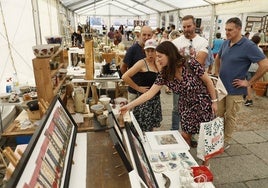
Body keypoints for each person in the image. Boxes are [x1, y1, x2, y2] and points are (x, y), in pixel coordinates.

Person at [120, 41, 217, 166]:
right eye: (157, 56)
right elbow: (149, 94)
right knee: (185, 134)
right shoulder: (164, 73)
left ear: (169, 54)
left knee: (205, 136)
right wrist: (128, 106)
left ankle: (205, 164)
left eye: (160, 56)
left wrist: (214, 102)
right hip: (186, 105)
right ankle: (185, 160)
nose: (157, 59)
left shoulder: (190, 63)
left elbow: (208, 82)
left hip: (203, 103)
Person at [214, 17, 268, 148]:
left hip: (235, 89)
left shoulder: (248, 46)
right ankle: (217, 138)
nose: (227, 32)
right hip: (221, 87)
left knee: (230, 116)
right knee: (218, 114)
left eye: (230, 30)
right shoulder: (226, 43)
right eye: (226, 29)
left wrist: (249, 83)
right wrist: (216, 74)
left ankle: (225, 141)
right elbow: (218, 58)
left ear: (239, 29)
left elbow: (265, 65)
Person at [171, 15, 209, 133]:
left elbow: (200, 61)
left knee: (193, 108)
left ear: (195, 25)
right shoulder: (175, 42)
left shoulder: (202, 41)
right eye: (184, 27)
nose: (186, 29)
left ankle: (189, 134)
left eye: (189, 26)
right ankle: (174, 131)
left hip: (196, 83)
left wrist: (181, 62)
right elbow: (172, 61)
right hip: (179, 80)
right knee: (177, 108)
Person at [122, 39, 162, 131]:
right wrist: (138, 88)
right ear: (144, 51)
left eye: (153, 51)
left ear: (156, 52)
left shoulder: (159, 63)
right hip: (144, 101)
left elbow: (164, 78)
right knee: (143, 128)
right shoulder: (141, 63)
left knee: (151, 127)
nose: (150, 53)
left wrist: (157, 63)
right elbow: (125, 76)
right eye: (148, 51)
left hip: (155, 100)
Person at [120, 26, 153, 102]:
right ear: (140, 35)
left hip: (150, 92)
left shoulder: (153, 50)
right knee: (133, 113)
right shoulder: (133, 49)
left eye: (149, 35)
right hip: (135, 93)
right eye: (144, 35)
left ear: (152, 36)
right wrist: (133, 84)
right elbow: (123, 68)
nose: (146, 37)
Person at [245, 35, 264, 106]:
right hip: (257, 68)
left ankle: (249, 99)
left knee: (248, 84)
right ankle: (247, 94)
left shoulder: (249, 48)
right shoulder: (260, 49)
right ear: (259, 41)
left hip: (249, 68)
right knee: (252, 83)